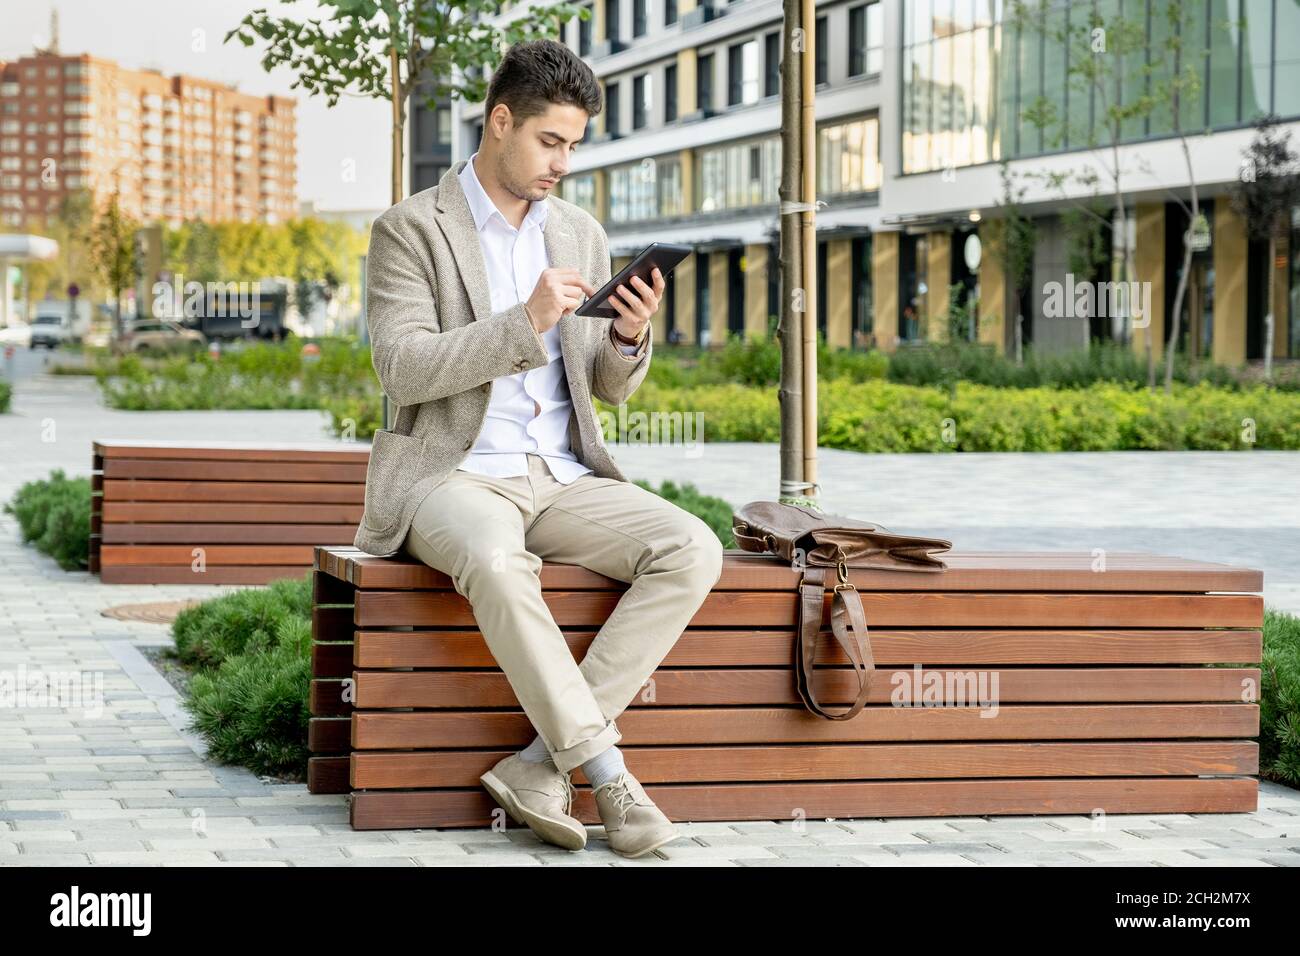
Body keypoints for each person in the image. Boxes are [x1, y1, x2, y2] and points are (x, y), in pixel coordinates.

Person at [355, 39, 724, 858]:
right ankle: (606, 772)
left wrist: (630, 336)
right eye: (549, 141)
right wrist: (524, 324)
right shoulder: (411, 230)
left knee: (691, 547)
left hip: (561, 475)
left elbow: (609, 387)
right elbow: (402, 368)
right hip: (452, 473)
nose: (562, 161)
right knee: (493, 559)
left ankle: (535, 764)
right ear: (499, 121)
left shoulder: (579, 233)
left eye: (574, 145)